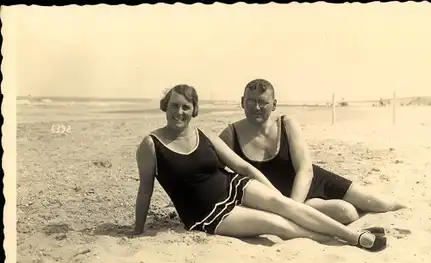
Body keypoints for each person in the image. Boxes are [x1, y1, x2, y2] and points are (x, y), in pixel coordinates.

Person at [133, 84, 388, 252]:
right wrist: (138, 230)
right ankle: (350, 239)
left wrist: (275, 195)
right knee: (276, 224)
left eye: (185, 107)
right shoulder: (151, 145)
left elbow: (241, 166)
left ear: (194, 110)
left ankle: (353, 235)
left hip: (234, 185)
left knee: (287, 206)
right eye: (174, 106)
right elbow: (145, 191)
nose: (179, 112)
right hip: (207, 213)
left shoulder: (205, 134)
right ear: (165, 107)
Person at [219, 79, 406, 225]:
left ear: (274, 104)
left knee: (378, 203)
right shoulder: (230, 135)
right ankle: (310, 208)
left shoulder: (286, 124)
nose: (256, 107)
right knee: (347, 213)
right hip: (278, 197)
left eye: (262, 102)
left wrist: (293, 209)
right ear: (242, 102)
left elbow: (305, 170)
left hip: (311, 182)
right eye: (250, 101)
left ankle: (407, 208)